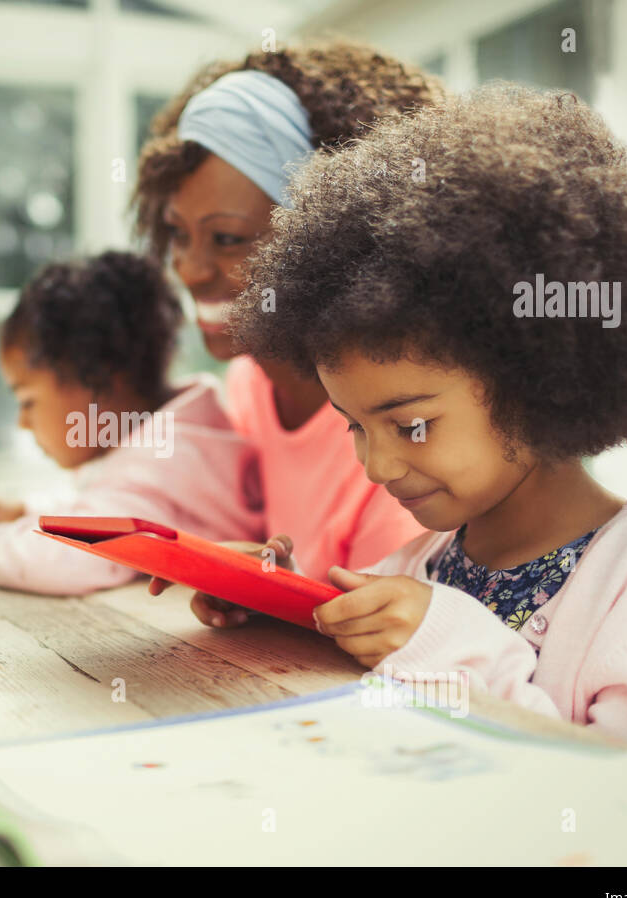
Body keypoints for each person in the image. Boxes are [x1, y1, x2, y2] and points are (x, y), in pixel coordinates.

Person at [229, 84, 627, 744]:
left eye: (410, 425)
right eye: (354, 425)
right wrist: (281, 610)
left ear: (538, 377)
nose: (375, 465)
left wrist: (453, 644)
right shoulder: (411, 570)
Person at [134, 37, 440, 590]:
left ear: (327, 242)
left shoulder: (395, 420)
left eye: (227, 238)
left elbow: (395, 639)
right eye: (178, 234)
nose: (190, 269)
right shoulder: (251, 384)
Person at [0, 251, 263, 595]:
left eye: (27, 402)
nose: (23, 423)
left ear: (100, 379)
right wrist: (27, 510)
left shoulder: (161, 462)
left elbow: (68, 558)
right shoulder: (181, 435)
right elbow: (107, 506)